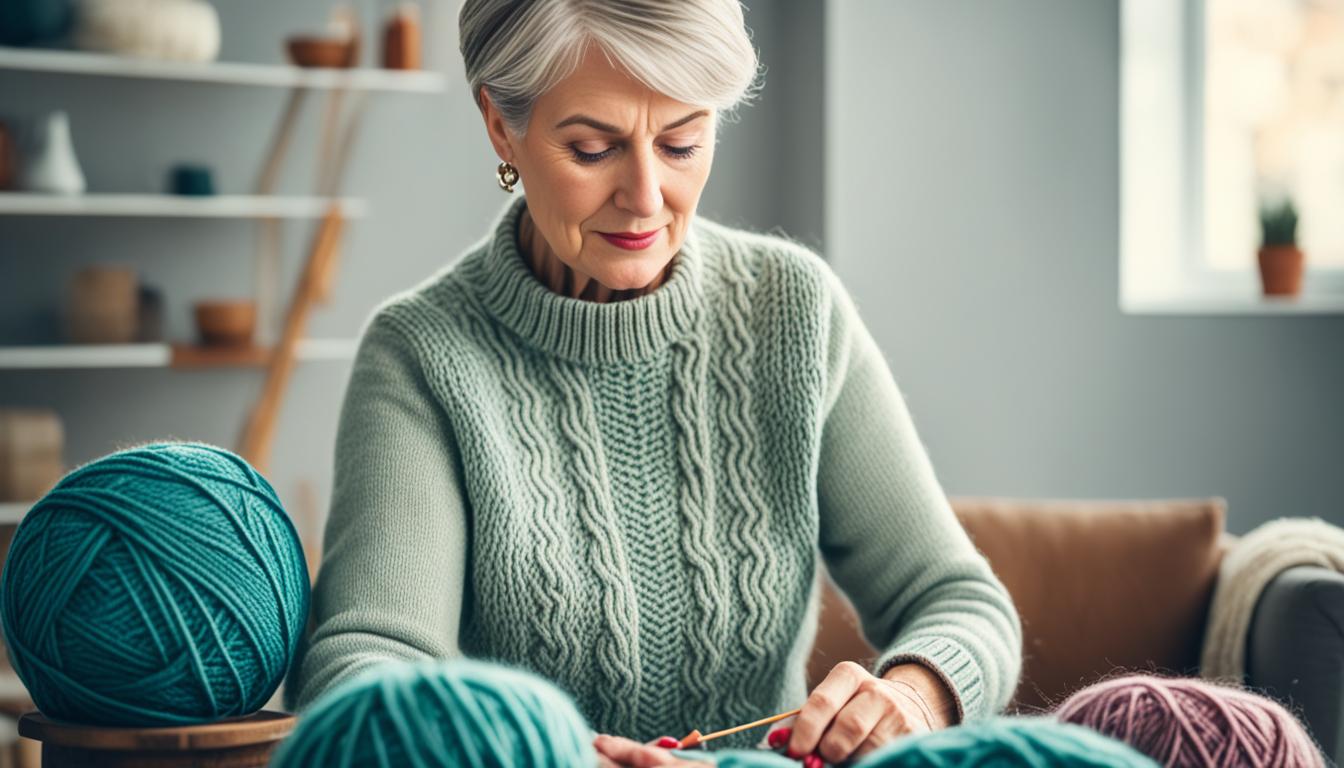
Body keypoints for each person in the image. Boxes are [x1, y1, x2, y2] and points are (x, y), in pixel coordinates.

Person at [289, 1, 1023, 765]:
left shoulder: (794, 312)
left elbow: (960, 602)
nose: (645, 197)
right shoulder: (421, 356)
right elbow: (362, 668)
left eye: (682, 142)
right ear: (502, 126)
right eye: (592, 148)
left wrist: (913, 692)